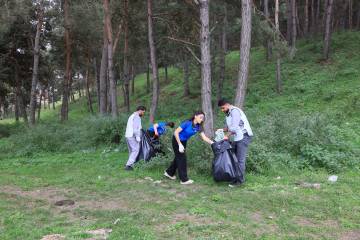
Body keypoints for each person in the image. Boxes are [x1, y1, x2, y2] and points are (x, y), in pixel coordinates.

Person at [164, 111, 214, 185]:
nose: (202, 119)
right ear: (195, 116)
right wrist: (179, 144)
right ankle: (184, 180)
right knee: (182, 158)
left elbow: (204, 138)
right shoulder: (187, 123)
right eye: (200, 117)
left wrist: (212, 143)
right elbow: (176, 132)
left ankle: (169, 173)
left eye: (203, 118)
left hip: (184, 141)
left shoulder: (199, 127)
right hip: (176, 140)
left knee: (178, 157)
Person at [217, 99, 253, 187]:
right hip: (238, 137)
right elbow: (228, 128)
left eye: (223, 108)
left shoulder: (235, 111)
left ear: (227, 104)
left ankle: (240, 181)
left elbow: (234, 127)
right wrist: (221, 130)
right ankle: (235, 178)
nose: (222, 110)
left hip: (244, 136)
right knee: (234, 159)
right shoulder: (228, 114)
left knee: (240, 160)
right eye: (221, 109)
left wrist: (227, 136)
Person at [124, 106, 146, 171]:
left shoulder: (132, 115)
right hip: (132, 135)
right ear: (140, 111)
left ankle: (130, 164)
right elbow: (135, 129)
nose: (143, 114)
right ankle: (129, 165)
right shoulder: (137, 117)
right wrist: (138, 137)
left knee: (131, 151)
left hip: (128, 135)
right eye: (143, 112)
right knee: (135, 150)